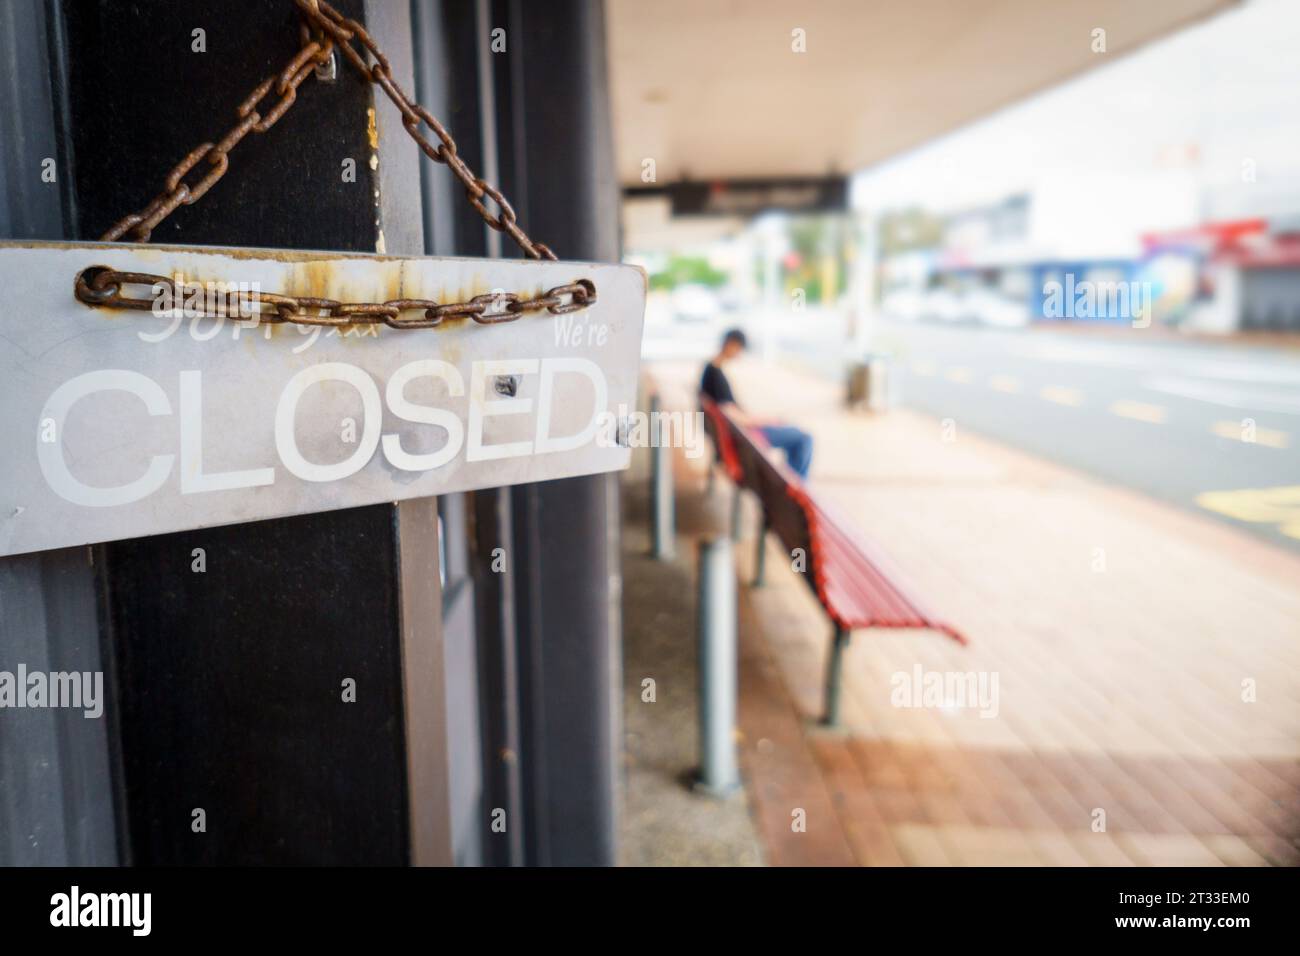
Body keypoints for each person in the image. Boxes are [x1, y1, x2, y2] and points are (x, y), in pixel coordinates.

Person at [700, 328, 813, 479]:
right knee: (804, 438)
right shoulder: (716, 375)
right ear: (731, 344)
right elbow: (734, 416)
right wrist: (769, 420)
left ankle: (793, 484)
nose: (739, 353)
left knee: (798, 435)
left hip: (739, 436)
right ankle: (794, 487)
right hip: (747, 435)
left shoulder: (710, 370)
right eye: (739, 348)